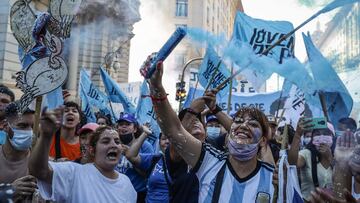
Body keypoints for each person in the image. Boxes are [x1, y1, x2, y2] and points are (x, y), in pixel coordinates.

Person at [140, 59, 275, 202]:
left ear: (263, 140)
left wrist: (216, 110)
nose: (243, 125)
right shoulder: (209, 161)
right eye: (238, 121)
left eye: (253, 124)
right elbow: (173, 130)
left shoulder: (274, 177)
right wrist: (156, 86)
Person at [29, 109, 137, 203]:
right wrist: (46, 136)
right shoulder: (73, 172)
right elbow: (39, 171)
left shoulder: (126, 183)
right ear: (92, 150)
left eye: (117, 141)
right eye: (105, 141)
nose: (113, 145)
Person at [288, 119, 334, 202]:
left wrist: (330, 158)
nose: (321, 137)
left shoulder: (339, 156)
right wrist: (298, 135)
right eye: (317, 134)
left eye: (326, 133)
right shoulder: (306, 154)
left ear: (333, 137)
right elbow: (292, 162)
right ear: (312, 138)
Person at [0, 103, 37, 202]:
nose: (29, 131)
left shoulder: (40, 163)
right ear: (5, 126)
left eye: (32, 126)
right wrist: (8, 191)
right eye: (23, 126)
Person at [123, 131, 171, 203]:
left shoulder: (185, 162)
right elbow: (130, 156)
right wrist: (145, 133)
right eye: (163, 139)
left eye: (170, 139)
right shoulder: (154, 159)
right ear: (159, 143)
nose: (167, 141)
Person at [115, 113, 154, 203]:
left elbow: (148, 175)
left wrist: (130, 157)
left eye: (128, 124)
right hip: (117, 193)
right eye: (121, 124)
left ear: (135, 129)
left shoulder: (145, 146)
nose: (123, 127)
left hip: (139, 195)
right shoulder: (113, 145)